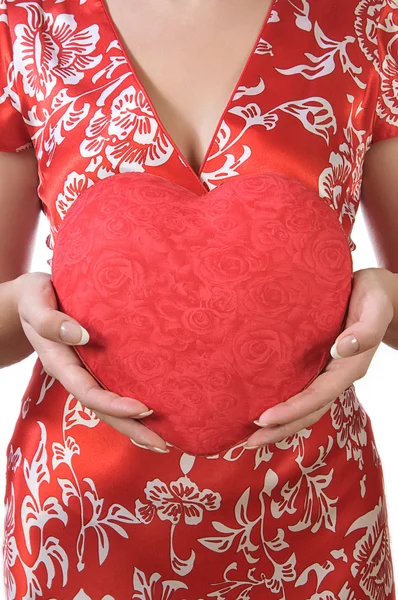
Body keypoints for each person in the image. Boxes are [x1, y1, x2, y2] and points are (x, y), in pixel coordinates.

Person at [1, 0, 398, 597]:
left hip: (313, 518)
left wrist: (383, 294)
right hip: (81, 521)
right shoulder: (26, 25)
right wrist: (25, 305)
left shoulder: (369, 24)